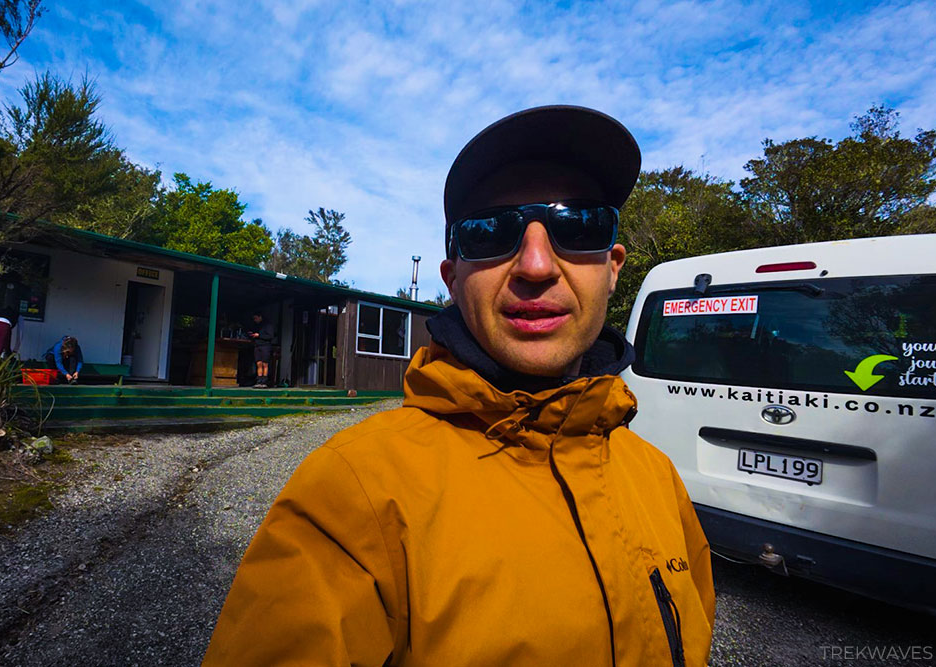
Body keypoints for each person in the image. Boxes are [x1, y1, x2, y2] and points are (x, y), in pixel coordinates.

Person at [204, 106, 715, 665]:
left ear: (613, 265)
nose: (537, 264)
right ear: (453, 278)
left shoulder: (657, 478)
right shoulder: (353, 493)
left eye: (578, 224)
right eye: (491, 231)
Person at [247, 312, 275, 387]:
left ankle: (264, 381)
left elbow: (270, 336)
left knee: (265, 363)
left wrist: (259, 335)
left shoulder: (268, 325)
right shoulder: (256, 326)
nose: (255, 320)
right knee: (258, 363)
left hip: (265, 346)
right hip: (257, 345)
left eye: (256, 318)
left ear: (260, 317)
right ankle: (259, 381)